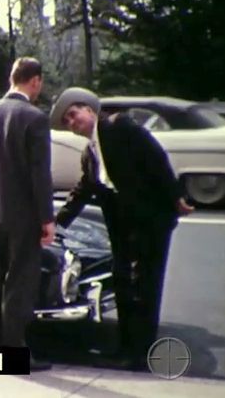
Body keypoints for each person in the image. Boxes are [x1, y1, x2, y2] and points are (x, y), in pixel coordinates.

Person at [50, 87, 194, 369]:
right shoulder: (89, 154)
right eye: (66, 121)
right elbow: (83, 189)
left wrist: (177, 196)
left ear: (89, 110)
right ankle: (126, 346)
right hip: (123, 225)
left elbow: (156, 158)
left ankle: (140, 352)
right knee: (122, 281)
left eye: (73, 114)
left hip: (150, 220)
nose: (72, 122)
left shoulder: (119, 126)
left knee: (145, 285)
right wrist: (57, 223)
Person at [0, 57, 55, 371]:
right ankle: (14, 350)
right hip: (24, 215)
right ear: (34, 80)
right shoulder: (34, 118)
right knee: (20, 282)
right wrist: (46, 218)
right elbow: (40, 174)